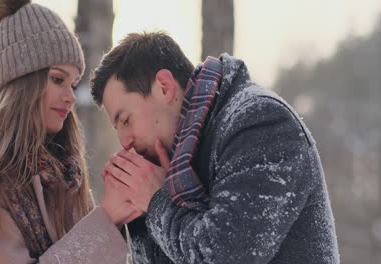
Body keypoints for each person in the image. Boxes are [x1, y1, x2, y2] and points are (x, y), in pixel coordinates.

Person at [90, 31, 340, 263]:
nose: (124, 142)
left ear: (164, 87)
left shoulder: (260, 122)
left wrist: (156, 202)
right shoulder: (177, 165)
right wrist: (138, 214)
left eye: (126, 120)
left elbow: (224, 255)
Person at [0, 0, 140, 263]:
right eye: (57, 79)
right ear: (21, 83)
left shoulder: (65, 172)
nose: (71, 97)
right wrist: (106, 219)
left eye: (73, 84)